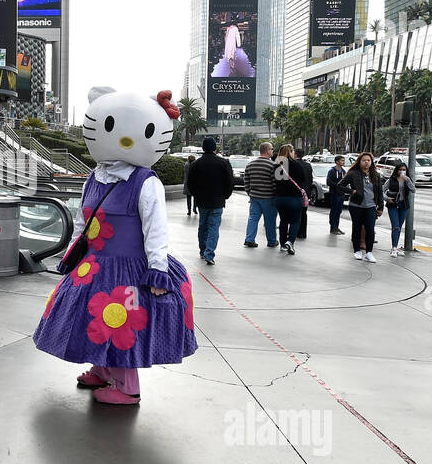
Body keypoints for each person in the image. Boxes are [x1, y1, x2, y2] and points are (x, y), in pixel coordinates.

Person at [33, 87, 198, 406]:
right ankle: (101, 368)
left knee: (122, 322)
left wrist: (158, 269)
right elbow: (82, 220)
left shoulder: (146, 181)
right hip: (94, 263)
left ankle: (127, 387)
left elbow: (155, 230)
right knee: (94, 319)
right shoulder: (95, 177)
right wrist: (73, 252)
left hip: (130, 267)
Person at [187, 137, 234, 266]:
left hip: (202, 201)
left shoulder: (195, 164)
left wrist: (196, 195)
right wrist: (225, 195)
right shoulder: (223, 163)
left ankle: (202, 250)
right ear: (214, 148)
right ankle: (209, 253)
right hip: (217, 201)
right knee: (214, 227)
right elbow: (230, 182)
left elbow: (190, 183)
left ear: (203, 148)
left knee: (203, 226)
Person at [337, 152, 386, 263]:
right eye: (364, 160)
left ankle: (369, 252)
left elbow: (380, 192)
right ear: (359, 162)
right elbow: (340, 186)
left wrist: (380, 207)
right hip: (356, 205)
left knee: (370, 229)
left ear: (371, 162)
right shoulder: (353, 173)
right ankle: (357, 251)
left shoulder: (375, 175)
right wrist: (352, 191)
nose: (366, 162)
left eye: (368, 160)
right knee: (357, 228)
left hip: (371, 206)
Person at [242, 142, 278, 248]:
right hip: (268, 197)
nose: (273, 151)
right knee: (270, 220)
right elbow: (274, 183)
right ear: (267, 150)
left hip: (254, 197)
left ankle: (249, 239)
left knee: (253, 218)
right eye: (272, 149)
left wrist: (250, 193)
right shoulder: (272, 165)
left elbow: (246, 182)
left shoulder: (250, 164)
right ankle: (271, 241)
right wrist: (275, 195)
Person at [385, 162, 416, 257]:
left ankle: (396, 246)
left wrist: (407, 180)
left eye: (404, 170)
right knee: (396, 226)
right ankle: (394, 248)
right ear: (396, 170)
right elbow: (381, 190)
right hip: (393, 204)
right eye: (400, 170)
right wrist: (387, 199)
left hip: (403, 205)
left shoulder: (407, 180)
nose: (402, 171)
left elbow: (413, 190)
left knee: (399, 226)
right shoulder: (391, 180)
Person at [326, 155, 347, 235]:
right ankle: (333, 227)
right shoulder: (332, 171)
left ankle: (336, 227)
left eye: (343, 160)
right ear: (337, 162)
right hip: (334, 193)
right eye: (342, 160)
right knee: (334, 210)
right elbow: (328, 182)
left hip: (341, 194)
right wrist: (338, 185)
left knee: (339, 211)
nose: (343, 162)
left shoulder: (343, 171)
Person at [294, 149, 309, 241]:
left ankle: (295, 231)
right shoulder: (308, 165)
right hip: (305, 193)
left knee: (295, 213)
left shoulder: (293, 164)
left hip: (295, 192)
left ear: (295, 154)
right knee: (304, 213)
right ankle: (303, 232)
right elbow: (310, 180)